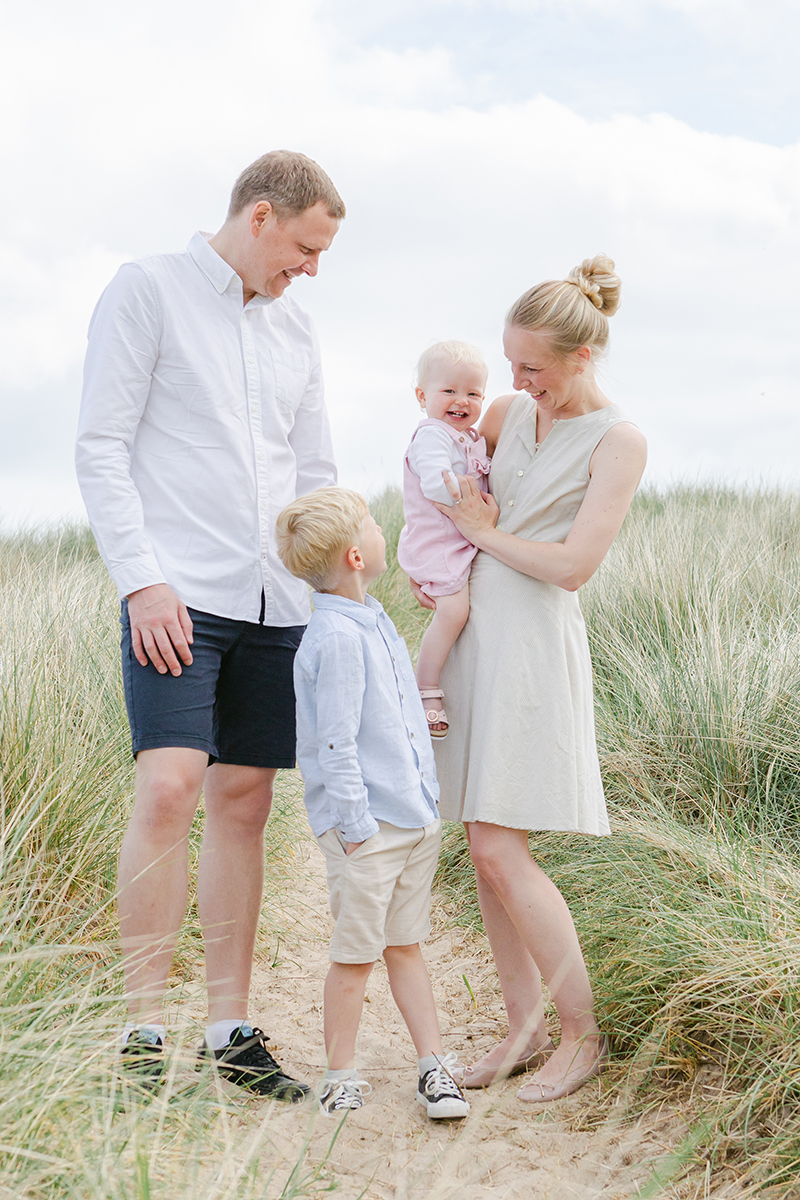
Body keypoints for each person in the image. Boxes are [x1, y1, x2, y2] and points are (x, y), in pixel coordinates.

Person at [74, 151, 345, 1098]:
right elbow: (101, 445)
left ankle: (229, 1031)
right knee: (169, 785)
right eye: (306, 248)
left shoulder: (298, 330)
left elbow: (313, 471)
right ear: (262, 216)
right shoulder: (145, 291)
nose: (310, 268)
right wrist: (142, 583)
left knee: (245, 802)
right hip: (177, 592)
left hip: (279, 598)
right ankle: (142, 1034)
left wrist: (338, 590)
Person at [422, 254, 647, 1103]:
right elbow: (436, 459)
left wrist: (479, 534)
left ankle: (581, 1036)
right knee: (480, 850)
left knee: (498, 842)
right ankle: (523, 1031)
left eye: (534, 369)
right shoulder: (510, 413)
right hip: (477, 636)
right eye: (512, 365)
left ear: (582, 358)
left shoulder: (619, 440)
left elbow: (574, 565)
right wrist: (431, 558)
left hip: (534, 648)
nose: (515, 383)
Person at [275, 487, 470, 1119]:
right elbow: (335, 742)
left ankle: (432, 1066)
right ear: (357, 555)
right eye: (374, 525)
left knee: (406, 945)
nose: (384, 530)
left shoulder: (375, 619)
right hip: (370, 831)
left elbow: (399, 718)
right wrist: (357, 828)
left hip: (411, 818)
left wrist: (426, 801)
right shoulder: (335, 638)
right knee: (355, 955)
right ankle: (341, 1074)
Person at [396, 342, 491, 738]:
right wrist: (480, 502)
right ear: (422, 396)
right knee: (452, 612)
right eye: (449, 391)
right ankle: (426, 687)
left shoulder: (468, 437)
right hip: (437, 541)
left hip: (456, 538)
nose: (461, 401)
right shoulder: (433, 436)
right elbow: (437, 483)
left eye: (473, 393)